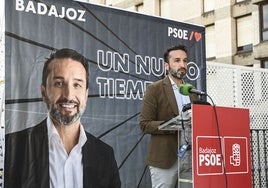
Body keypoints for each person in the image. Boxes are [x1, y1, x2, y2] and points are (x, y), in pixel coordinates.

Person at [4, 48, 121, 188]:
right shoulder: (13, 148)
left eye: (77, 84)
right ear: (44, 92)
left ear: (86, 94)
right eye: (59, 83)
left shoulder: (105, 155)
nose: (69, 95)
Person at [140, 45, 198, 188]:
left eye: (185, 61)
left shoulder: (192, 91)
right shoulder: (155, 89)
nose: (182, 65)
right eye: (177, 61)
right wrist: (176, 124)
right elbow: (145, 124)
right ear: (167, 65)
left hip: (191, 158)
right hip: (165, 159)